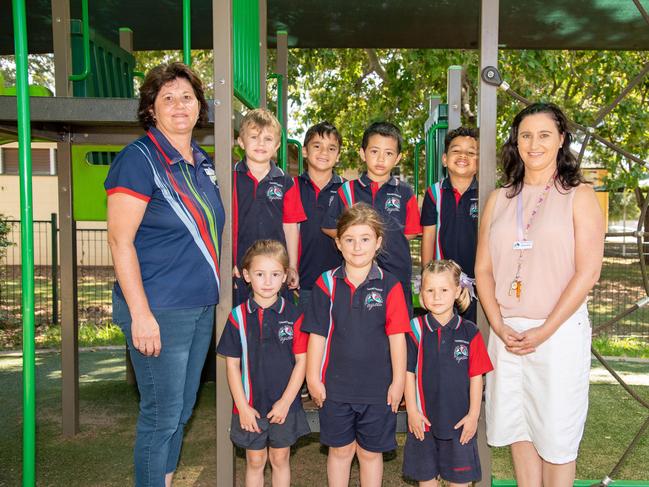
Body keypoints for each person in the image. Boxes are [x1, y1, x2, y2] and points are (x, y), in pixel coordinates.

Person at [105, 62, 225, 487]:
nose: (179, 105)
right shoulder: (138, 160)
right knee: (161, 415)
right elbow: (120, 242)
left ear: (199, 107)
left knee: (182, 410)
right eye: (167, 98)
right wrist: (140, 314)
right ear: (151, 109)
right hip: (158, 310)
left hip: (197, 307)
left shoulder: (200, 160)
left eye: (187, 97)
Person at [475, 102, 604, 486]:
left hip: (557, 334)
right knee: (519, 430)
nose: (534, 143)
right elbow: (482, 268)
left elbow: (588, 271)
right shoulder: (500, 199)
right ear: (515, 142)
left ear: (561, 140)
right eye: (526, 135)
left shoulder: (579, 196)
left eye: (544, 134)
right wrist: (498, 325)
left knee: (557, 438)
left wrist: (545, 330)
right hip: (508, 334)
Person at [304, 203, 410, 487]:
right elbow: (317, 334)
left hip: (377, 389)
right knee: (340, 450)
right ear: (338, 243)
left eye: (365, 239)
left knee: (369, 453)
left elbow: (397, 337)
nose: (357, 246)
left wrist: (398, 382)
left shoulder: (391, 285)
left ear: (378, 242)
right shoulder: (326, 283)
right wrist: (312, 378)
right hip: (336, 388)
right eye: (349, 240)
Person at [217, 240, 310, 487]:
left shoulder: (295, 316)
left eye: (275, 274)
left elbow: (302, 363)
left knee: (280, 458)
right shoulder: (237, 317)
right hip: (250, 406)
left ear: (285, 277)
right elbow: (232, 366)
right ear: (247, 275)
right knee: (255, 461)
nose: (267, 282)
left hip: (284, 405)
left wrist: (286, 402)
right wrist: (242, 407)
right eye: (260, 274)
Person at [402, 259, 493, 486]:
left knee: (460, 481)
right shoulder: (415, 329)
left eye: (444, 290)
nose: (437, 296)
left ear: (457, 292)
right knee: (426, 481)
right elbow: (407, 373)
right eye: (430, 290)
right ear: (421, 294)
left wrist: (473, 415)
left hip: (459, 423)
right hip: (423, 421)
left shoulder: (470, 332)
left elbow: (476, 378)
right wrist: (412, 411)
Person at [322, 121, 421, 314]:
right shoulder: (347, 190)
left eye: (389, 153)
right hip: (356, 273)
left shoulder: (405, 192)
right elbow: (329, 226)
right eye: (374, 151)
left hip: (397, 271)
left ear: (398, 158)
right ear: (362, 153)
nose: (381, 159)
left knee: (398, 327)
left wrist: (385, 240)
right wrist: (355, 240)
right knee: (359, 323)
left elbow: (410, 231)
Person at [233, 108, 306, 305]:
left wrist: (292, 266)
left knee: (278, 325)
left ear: (277, 146)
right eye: (254, 137)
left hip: (275, 269)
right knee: (243, 323)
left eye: (267, 139)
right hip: (240, 268)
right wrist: (228, 262)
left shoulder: (285, 182)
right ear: (241, 141)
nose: (260, 144)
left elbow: (290, 227)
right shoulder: (230, 177)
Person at [420, 127, 479, 321]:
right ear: (445, 159)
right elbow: (428, 240)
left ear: (479, 162)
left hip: (479, 282)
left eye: (471, 152)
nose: (463, 155)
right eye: (456, 151)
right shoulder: (434, 194)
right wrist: (426, 281)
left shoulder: (487, 194)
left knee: (474, 334)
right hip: (442, 283)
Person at [294, 121, 345, 309]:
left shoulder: (347, 190)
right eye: (317, 146)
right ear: (305, 151)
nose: (324, 153)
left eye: (332, 148)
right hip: (299, 284)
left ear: (338, 156)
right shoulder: (290, 187)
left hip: (340, 284)